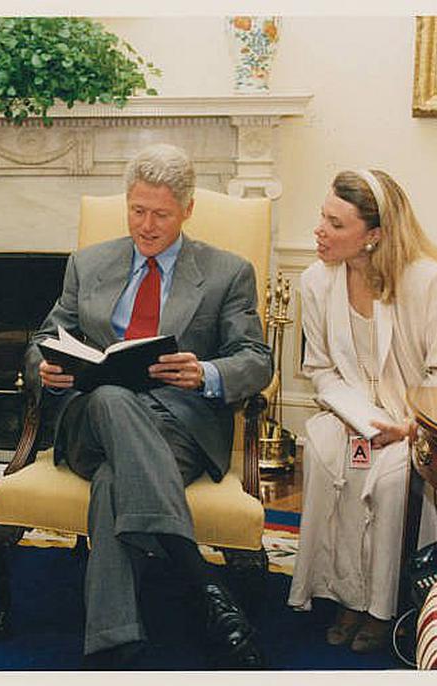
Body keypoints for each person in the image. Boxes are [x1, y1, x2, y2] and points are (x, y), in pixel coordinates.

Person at [25, 143, 272, 669]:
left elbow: (256, 359)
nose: (146, 225)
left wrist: (205, 372)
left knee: (117, 481)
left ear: (187, 209)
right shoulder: (89, 263)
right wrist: (42, 368)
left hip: (176, 427)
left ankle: (116, 642)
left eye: (160, 213)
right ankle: (198, 579)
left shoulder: (228, 272)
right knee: (112, 395)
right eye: (137, 210)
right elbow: (46, 336)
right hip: (89, 421)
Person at [287, 169, 437, 653]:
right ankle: (343, 595)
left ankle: (385, 605)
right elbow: (319, 368)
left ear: (373, 236)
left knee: (394, 471)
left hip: (424, 422)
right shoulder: (316, 281)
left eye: (335, 224)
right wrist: (353, 412)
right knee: (326, 450)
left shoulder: (426, 281)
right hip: (351, 413)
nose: (319, 230)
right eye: (322, 217)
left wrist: (405, 426)